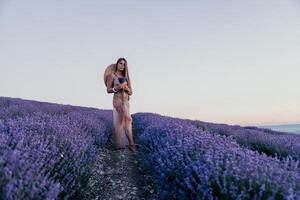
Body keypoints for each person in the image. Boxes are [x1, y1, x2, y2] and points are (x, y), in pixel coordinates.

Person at [104, 58, 138, 152]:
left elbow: (131, 92)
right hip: (117, 100)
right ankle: (131, 144)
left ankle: (118, 144)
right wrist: (117, 88)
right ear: (117, 64)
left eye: (124, 64)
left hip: (126, 101)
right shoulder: (112, 75)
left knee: (119, 121)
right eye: (120, 63)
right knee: (128, 119)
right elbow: (108, 90)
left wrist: (127, 89)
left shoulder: (127, 77)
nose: (122, 65)